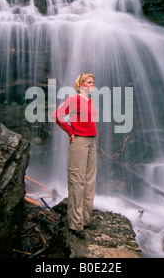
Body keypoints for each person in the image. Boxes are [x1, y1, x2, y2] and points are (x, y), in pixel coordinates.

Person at [52, 73, 97, 239]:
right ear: (81, 85)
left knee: (89, 179)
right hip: (79, 142)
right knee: (77, 180)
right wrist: (70, 131)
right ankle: (75, 224)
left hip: (92, 141)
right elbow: (57, 115)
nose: (92, 84)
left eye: (93, 82)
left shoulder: (90, 101)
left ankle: (86, 219)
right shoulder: (74, 99)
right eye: (89, 82)